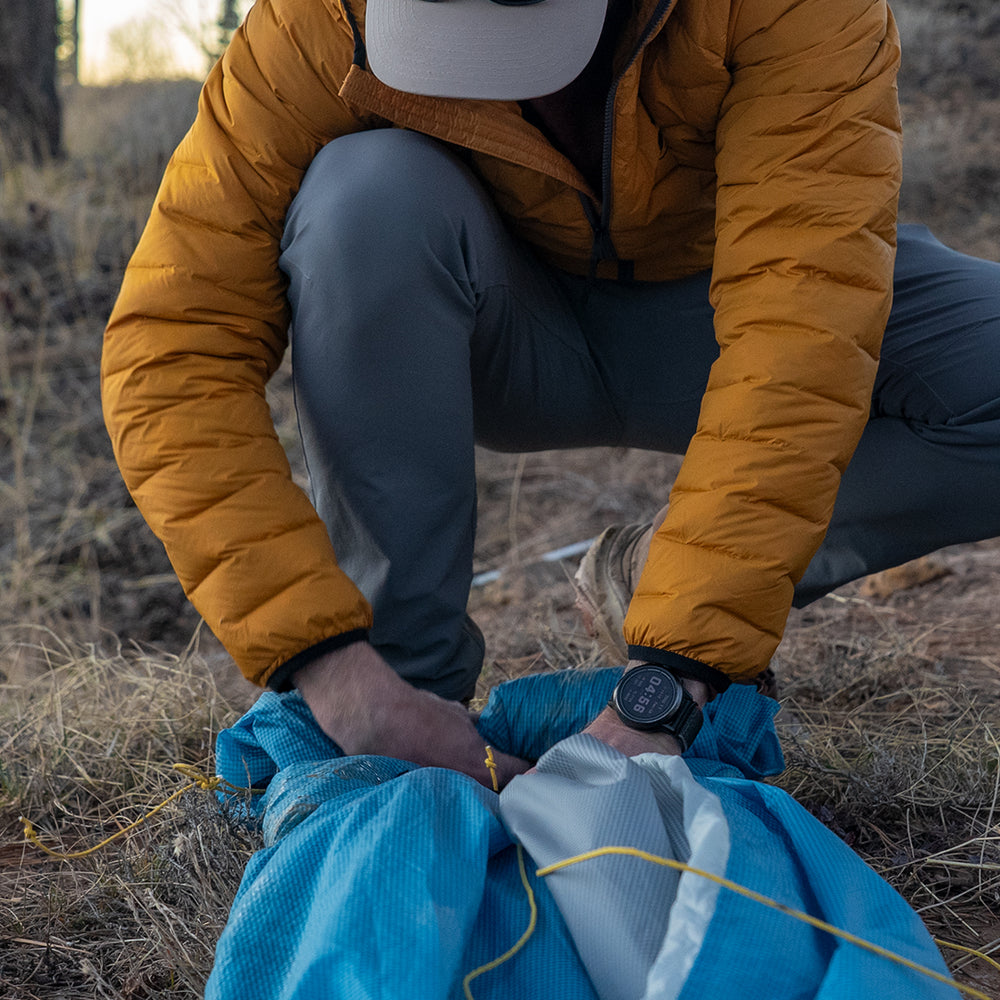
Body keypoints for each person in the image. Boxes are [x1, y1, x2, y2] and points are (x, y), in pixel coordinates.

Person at [101, 0, 1000, 791]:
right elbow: (170, 342)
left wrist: (675, 671)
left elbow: (799, 323)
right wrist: (335, 669)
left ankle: (660, 572)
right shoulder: (320, 21)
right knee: (361, 196)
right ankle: (402, 678)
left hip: (721, 308)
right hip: (489, 324)